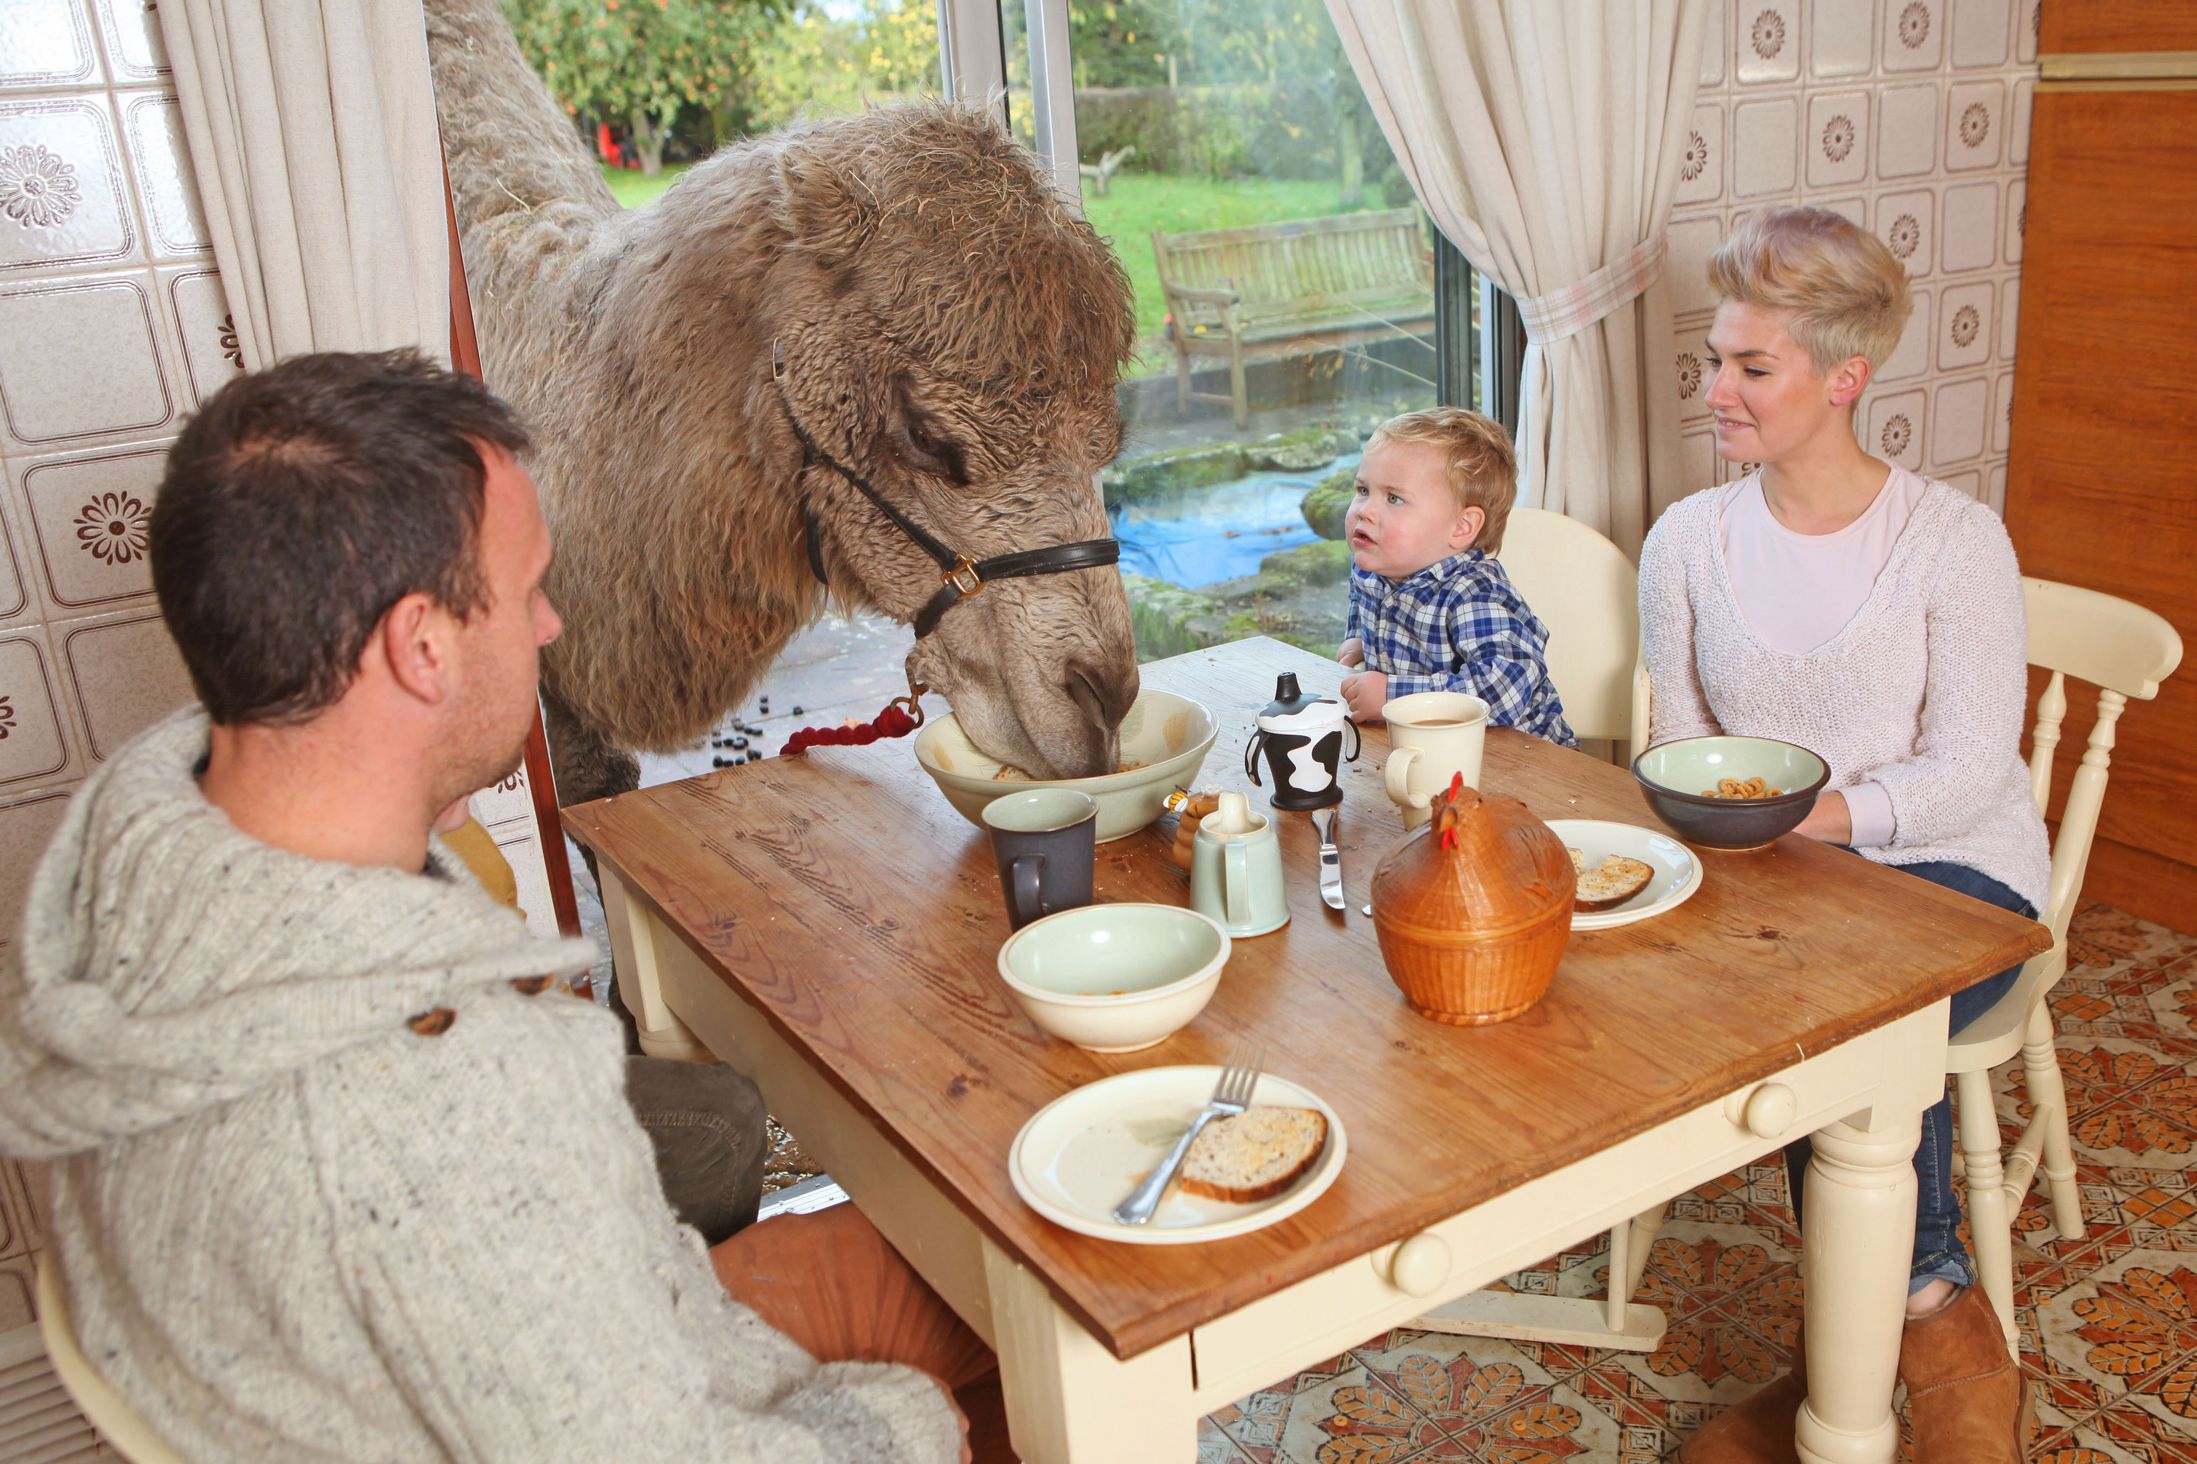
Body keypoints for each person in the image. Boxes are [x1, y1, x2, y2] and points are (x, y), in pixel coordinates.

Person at [0, 350, 987, 1462]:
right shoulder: (434, 1109)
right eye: (526, 594)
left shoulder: (154, 839)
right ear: (421, 648)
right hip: (631, 1414)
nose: (551, 628)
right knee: (1049, 1347)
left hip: (578, 1343)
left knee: (983, 1273)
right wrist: (898, 1428)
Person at [1640, 207, 2046, 1463]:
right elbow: (1687, 748)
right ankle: (1885, 1351)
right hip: (1785, 877)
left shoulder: (1954, 543)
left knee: (1859, 1011)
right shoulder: (1685, 542)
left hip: (1956, 868)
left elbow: (1975, 764)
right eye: (1714, 360)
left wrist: (1821, 817)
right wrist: (1754, 830)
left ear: (1843, 378)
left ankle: (1915, 1317)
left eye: (1751, 369)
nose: (1717, 391)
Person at [1334, 407, 1576, 746]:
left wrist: (1393, 695)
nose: (1365, 511)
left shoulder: (1473, 593)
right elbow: (1366, 603)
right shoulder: (1373, 563)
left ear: (1461, 527)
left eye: (1393, 498)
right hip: (1432, 747)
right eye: (1362, 490)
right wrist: (1365, 637)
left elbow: (1506, 688)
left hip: (1519, 757)